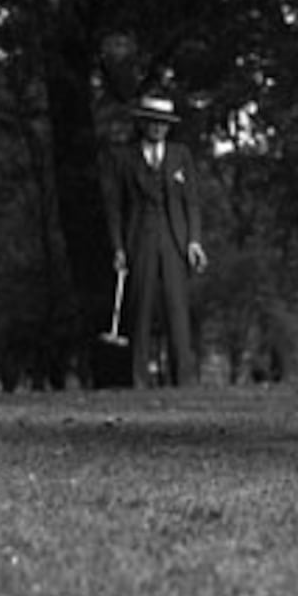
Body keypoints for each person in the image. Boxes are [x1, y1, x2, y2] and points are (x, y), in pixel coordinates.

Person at [104, 95, 209, 387]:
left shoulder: (180, 155)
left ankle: (184, 381)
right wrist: (118, 248)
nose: (158, 128)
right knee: (140, 310)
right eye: (153, 122)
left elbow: (192, 203)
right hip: (139, 239)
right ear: (142, 124)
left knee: (178, 311)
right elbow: (115, 207)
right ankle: (137, 380)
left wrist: (194, 241)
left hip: (175, 240)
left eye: (163, 123)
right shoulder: (124, 158)